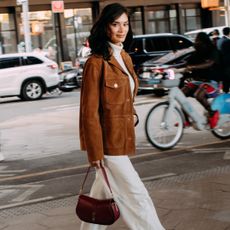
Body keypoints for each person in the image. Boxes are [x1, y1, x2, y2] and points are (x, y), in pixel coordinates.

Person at [79, 3, 165, 230]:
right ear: (105, 26)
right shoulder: (96, 63)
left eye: (125, 24)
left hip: (121, 138)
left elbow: (126, 96)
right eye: (115, 24)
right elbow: (89, 112)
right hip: (107, 146)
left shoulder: (124, 57)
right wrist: (94, 151)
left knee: (100, 198)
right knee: (137, 197)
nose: (121, 29)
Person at [181, 32, 222, 128]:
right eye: (196, 40)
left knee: (198, 95)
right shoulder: (198, 52)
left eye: (198, 40)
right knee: (180, 94)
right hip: (198, 81)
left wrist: (193, 67)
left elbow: (210, 63)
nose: (196, 42)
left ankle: (212, 113)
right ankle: (186, 120)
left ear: (204, 42)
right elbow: (186, 63)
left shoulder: (213, 50)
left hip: (212, 81)